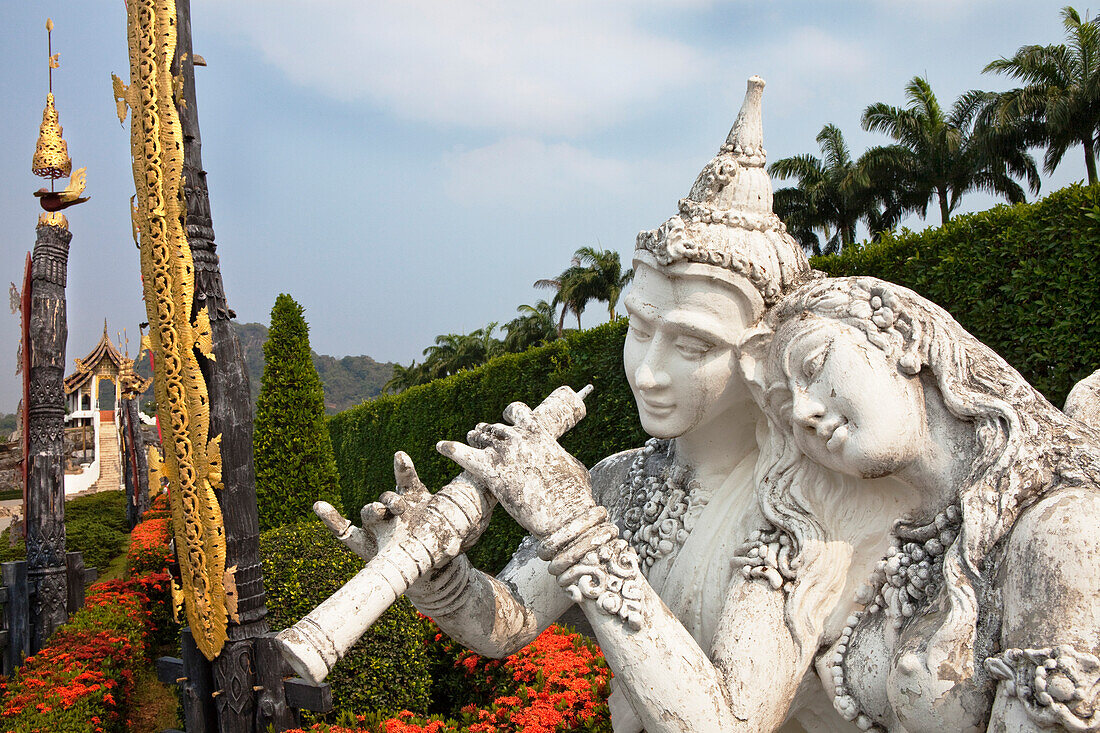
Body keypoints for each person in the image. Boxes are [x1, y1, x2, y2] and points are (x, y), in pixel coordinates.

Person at [342, 77, 823, 732]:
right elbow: (509, 620)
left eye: (689, 343)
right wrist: (436, 580)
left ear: (763, 352)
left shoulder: (802, 507)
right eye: (639, 327)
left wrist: (576, 528)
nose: (647, 371)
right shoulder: (620, 479)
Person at [739, 275, 1100, 732]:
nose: (801, 412)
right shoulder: (899, 546)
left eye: (813, 366)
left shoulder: (1062, 527)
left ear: (902, 338)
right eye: (783, 404)